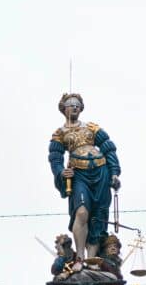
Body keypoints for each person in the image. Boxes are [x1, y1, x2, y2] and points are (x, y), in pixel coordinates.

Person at [48, 93, 121, 270]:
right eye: (70, 104)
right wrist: (60, 172)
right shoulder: (59, 134)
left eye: (77, 104)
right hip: (79, 174)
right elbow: (55, 158)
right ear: (63, 108)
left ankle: (92, 259)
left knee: (98, 216)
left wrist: (114, 172)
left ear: (81, 108)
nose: (74, 107)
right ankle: (79, 258)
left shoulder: (92, 127)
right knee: (81, 213)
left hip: (100, 171)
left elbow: (108, 148)